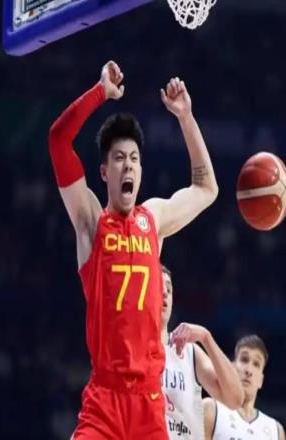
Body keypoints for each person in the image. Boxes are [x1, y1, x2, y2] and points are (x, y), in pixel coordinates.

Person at [48, 60, 218, 439]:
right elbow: (58, 139)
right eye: (120, 159)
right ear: (104, 171)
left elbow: (206, 188)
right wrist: (100, 93)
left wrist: (186, 118)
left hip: (148, 402)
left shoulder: (153, 220)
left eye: (135, 159)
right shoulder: (91, 222)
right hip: (104, 399)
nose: (129, 166)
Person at [161, 264, 243, 440]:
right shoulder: (132, 348)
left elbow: (235, 399)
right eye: (157, 287)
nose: (164, 293)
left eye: (168, 288)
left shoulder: (189, 352)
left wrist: (206, 338)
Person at [203, 335, 286, 440]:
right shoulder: (211, 409)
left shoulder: (276, 431)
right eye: (244, 360)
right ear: (232, 367)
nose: (249, 371)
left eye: (256, 364)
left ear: (261, 380)